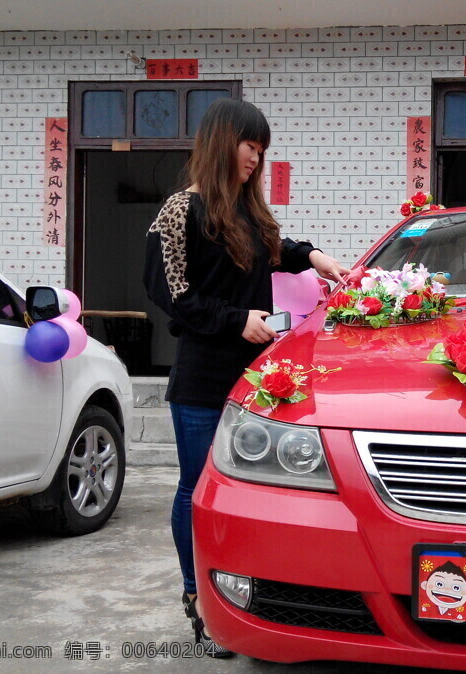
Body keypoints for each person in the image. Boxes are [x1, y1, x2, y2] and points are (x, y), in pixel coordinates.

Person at [143, 99, 348, 657]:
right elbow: (174, 296)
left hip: (259, 378)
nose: (255, 159)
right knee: (199, 490)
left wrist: (315, 256)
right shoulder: (180, 212)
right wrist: (239, 321)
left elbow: (275, 252)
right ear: (220, 142)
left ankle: (249, 600)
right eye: (248, 147)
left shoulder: (249, 214)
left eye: (262, 151)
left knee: (254, 494)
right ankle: (198, 600)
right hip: (203, 379)